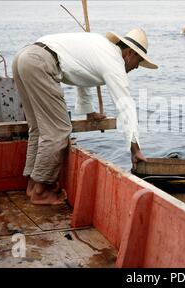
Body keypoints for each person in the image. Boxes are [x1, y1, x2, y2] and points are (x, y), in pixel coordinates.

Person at [12, 28, 158, 205]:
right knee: (58, 131)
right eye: (138, 61)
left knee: (38, 128)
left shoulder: (100, 47)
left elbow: (80, 77)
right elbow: (126, 106)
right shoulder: (114, 62)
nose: (135, 67)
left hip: (24, 57)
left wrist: (90, 111)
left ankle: (33, 184)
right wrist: (135, 148)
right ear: (129, 53)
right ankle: (41, 191)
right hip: (40, 63)